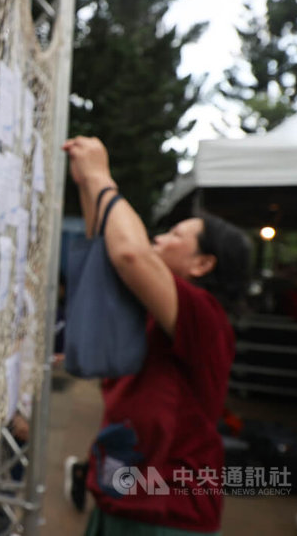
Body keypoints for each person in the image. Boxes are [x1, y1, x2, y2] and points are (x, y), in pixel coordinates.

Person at [62, 136, 251, 535]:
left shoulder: (205, 315)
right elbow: (106, 250)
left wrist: (102, 177)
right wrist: (86, 183)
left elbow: (130, 254)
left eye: (176, 235)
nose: (159, 238)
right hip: (124, 499)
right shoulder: (157, 312)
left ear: (203, 263)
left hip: (168, 516)